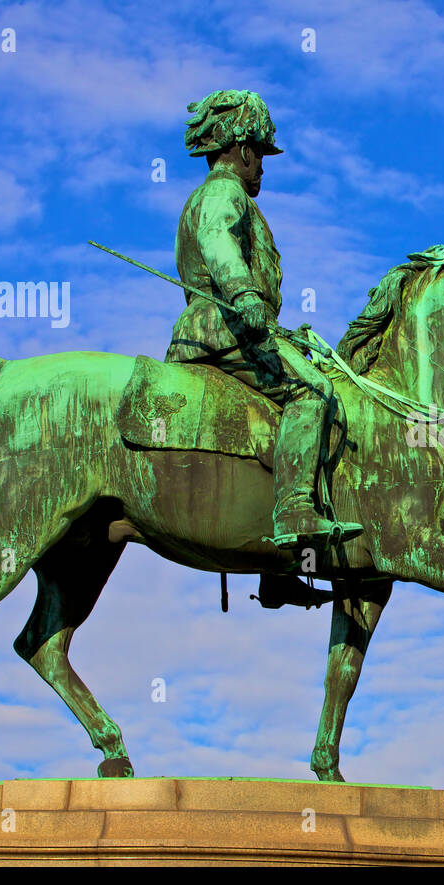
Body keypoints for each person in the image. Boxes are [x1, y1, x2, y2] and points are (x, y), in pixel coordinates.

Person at [165, 89, 362, 550]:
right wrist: (244, 293)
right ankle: (294, 509)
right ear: (244, 149)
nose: (263, 167)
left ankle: (279, 565)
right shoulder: (222, 192)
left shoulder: (218, 194)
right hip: (223, 328)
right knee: (313, 391)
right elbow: (218, 243)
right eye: (260, 155)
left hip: (229, 327)